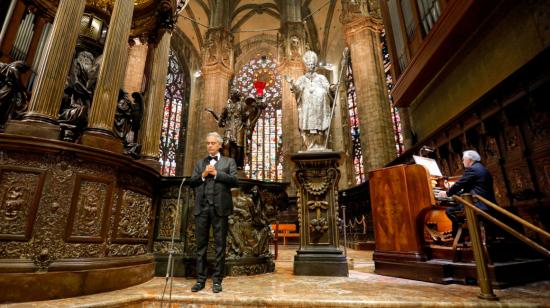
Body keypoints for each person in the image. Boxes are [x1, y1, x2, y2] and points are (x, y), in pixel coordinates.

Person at [189, 132, 238, 293]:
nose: (209, 145)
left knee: (219, 246)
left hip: (220, 209)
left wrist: (217, 174)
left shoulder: (228, 161)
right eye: (207, 143)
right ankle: (200, 279)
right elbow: (192, 182)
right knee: (201, 246)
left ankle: (217, 280)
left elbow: (235, 181)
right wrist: (203, 175)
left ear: (219, 145)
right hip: (202, 209)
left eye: (212, 143)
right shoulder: (200, 163)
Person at [437, 150, 496, 236]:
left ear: (469, 159)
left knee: (449, 211)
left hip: (477, 204)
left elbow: (459, 184)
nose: (462, 161)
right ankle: (465, 235)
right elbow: (472, 187)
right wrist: (457, 194)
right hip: (488, 204)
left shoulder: (472, 169)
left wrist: (446, 193)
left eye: (463, 159)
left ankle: (460, 236)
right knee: (456, 208)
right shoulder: (483, 169)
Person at [285, 50, 332, 151]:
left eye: (312, 64)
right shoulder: (302, 79)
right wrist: (292, 83)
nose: (310, 66)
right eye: (308, 64)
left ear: (315, 65)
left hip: (320, 109)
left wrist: (332, 88)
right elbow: (297, 89)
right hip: (307, 109)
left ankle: (320, 143)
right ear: (305, 65)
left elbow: (328, 88)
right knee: (308, 126)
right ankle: (310, 144)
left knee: (320, 126)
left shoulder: (321, 78)